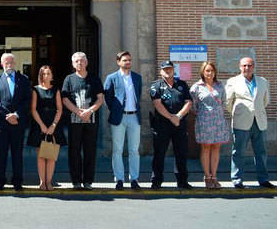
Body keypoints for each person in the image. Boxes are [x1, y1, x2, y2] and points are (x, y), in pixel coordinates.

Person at [226, 57, 274, 189]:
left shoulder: (262, 81)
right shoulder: (232, 82)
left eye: (250, 65)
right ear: (240, 67)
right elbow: (228, 102)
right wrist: (239, 113)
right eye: (244, 65)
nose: (247, 68)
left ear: (254, 66)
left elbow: (266, 101)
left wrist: (256, 111)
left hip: (259, 122)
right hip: (241, 122)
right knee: (238, 152)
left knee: (261, 152)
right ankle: (237, 179)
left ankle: (263, 179)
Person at [62, 52, 104, 190]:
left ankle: (88, 181)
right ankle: (76, 181)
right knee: (74, 151)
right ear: (73, 64)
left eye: (82, 61)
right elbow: (65, 99)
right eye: (77, 61)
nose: (80, 63)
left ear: (86, 62)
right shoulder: (69, 79)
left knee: (90, 151)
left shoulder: (94, 79)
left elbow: (100, 98)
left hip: (91, 121)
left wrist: (89, 111)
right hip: (74, 121)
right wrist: (77, 111)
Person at [149, 60, 193, 189]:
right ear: (161, 71)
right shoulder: (156, 86)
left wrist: (178, 116)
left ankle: (182, 181)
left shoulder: (182, 85)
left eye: (170, 69)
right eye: (165, 69)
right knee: (159, 153)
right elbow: (157, 104)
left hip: (179, 124)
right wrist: (171, 117)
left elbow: (188, 102)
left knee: (181, 153)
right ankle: (156, 181)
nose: (168, 71)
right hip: (162, 125)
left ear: (174, 70)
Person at [0, 53, 31, 191]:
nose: (9, 65)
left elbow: (27, 100)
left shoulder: (23, 79)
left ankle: (17, 181)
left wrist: (17, 115)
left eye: (11, 62)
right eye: (6, 62)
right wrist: (8, 115)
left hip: (18, 123)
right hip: (2, 123)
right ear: (1, 64)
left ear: (15, 63)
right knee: (1, 153)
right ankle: (0, 181)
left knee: (17, 153)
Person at [103, 51, 142, 190]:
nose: (128, 62)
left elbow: (139, 95)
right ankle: (119, 179)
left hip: (134, 117)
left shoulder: (137, 77)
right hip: (119, 117)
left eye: (129, 60)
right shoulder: (111, 78)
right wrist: (114, 110)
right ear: (118, 62)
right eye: (125, 60)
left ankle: (134, 179)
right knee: (117, 149)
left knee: (134, 150)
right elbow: (107, 97)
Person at [190, 61, 229, 189]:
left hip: (218, 120)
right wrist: (204, 114)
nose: (210, 73)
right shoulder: (196, 87)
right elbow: (193, 106)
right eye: (207, 70)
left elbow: (223, 102)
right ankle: (207, 176)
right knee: (206, 147)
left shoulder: (220, 86)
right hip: (204, 120)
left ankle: (214, 176)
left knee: (216, 147)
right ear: (202, 72)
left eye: (212, 70)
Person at [26, 65, 64, 191]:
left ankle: (49, 182)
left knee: (51, 156)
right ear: (41, 76)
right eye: (44, 74)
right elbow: (33, 109)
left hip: (53, 125)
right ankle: (42, 182)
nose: (47, 76)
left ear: (52, 76)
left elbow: (59, 109)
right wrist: (42, 125)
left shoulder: (56, 90)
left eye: (49, 73)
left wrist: (53, 125)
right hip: (39, 125)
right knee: (41, 156)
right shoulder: (35, 90)